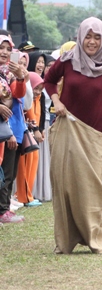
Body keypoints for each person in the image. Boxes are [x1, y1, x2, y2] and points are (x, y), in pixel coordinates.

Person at [44, 17, 102, 253]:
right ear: (80, 36)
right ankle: (66, 241)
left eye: (96, 37)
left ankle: (95, 240)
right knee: (66, 186)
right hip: (67, 129)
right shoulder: (67, 60)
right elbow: (48, 81)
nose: (91, 41)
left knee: (92, 187)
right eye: (88, 36)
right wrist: (56, 100)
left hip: (95, 134)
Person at [0, 35, 28, 223]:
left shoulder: (8, 74)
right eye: (1, 48)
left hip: (8, 127)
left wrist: (20, 76)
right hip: (5, 128)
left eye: (8, 49)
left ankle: (3, 210)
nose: (5, 52)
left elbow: (20, 95)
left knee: (7, 172)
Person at [15, 72, 45, 207]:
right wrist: (36, 129)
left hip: (33, 136)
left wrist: (40, 129)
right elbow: (29, 115)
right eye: (36, 88)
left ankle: (28, 195)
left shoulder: (38, 99)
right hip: (27, 134)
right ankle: (23, 196)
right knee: (23, 166)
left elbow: (41, 115)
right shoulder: (27, 99)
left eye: (40, 89)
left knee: (33, 163)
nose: (38, 92)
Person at [32, 54, 55, 202]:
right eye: (39, 62)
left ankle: (41, 191)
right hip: (35, 124)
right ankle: (32, 191)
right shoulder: (32, 81)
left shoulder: (49, 83)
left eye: (43, 62)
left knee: (42, 158)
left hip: (44, 123)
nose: (42, 66)